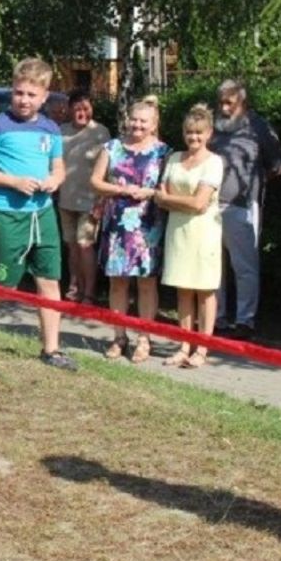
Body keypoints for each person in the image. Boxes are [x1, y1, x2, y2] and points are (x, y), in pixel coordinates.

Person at [0, 58, 77, 371]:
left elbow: (58, 166)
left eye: (30, 94)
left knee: (49, 281)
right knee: (4, 286)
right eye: (18, 93)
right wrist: (14, 181)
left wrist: (55, 180)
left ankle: (51, 349)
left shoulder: (50, 129)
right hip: (6, 214)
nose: (23, 100)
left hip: (43, 214)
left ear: (44, 96)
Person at [90, 97, 169, 364]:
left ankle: (144, 338)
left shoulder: (163, 152)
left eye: (143, 121)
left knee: (147, 283)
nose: (137, 125)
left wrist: (150, 192)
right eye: (134, 119)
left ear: (153, 123)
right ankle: (118, 335)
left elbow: (169, 189)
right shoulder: (112, 147)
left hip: (148, 226)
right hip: (117, 225)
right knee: (118, 282)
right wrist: (121, 190)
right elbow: (95, 182)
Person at [208, 80, 281, 339]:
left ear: (243, 102)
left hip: (243, 205)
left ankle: (245, 320)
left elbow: (276, 166)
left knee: (245, 267)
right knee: (213, 265)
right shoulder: (212, 126)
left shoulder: (259, 127)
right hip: (209, 205)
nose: (223, 107)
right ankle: (216, 317)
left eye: (229, 102)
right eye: (221, 102)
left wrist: (252, 185)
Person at [155, 104, 224, 368]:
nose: (193, 138)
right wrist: (177, 200)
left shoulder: (215, 162)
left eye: (198, 133)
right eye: (189, 133)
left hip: (204, 232)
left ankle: (203, 349)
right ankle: (184, 344)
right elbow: (162, 198)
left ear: (209, 133)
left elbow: (199, 204)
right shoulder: (174, 158)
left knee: (205, 290)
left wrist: (171, 199)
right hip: (178, 231)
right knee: (183, 289)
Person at [57, 89, 109, 303]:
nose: (81, 113)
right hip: (65, 200)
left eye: (85, 108)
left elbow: (108, 170)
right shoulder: (61, 131)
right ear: (70, 109)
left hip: (90, 201)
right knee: (71, 246)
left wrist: (101, 201)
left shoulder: (100, 133)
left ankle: (89, 292)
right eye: (77, 109)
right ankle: (74, 287)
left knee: (85, 245)